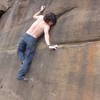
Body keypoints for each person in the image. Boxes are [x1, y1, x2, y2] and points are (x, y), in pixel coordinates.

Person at [16, 5, 58, 80]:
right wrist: (49, 45)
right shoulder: (46, 26)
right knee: (28, 59)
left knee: (19, 50)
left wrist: (40, 10)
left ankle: (23, 61)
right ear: (49, 21)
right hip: (31, 40)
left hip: (25, 35)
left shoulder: (41, 17)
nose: (52, 24)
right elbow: (46, 35)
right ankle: (20, 75)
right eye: (52, 22)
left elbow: (34, 16)